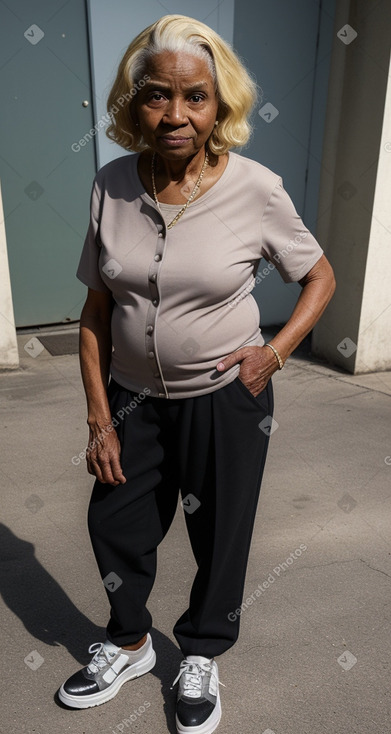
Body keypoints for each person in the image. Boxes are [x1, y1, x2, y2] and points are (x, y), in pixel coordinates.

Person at [57, 13, 336, 734]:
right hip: (130, 401)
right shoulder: (111, 184)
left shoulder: (256, 188)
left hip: (225, 398)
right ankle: (128, 643)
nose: (174, 114)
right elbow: (93, 311)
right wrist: (97, 415)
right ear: (133, 100)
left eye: (194, 97)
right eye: (156, 95)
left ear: (221, 106)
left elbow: (319, 277)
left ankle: (203, 652)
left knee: (220, 532)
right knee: (114, 523)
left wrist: (272, 353)